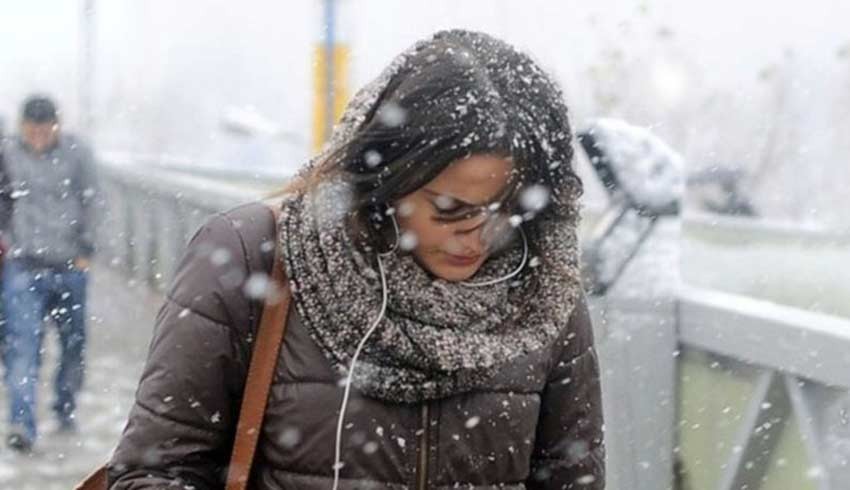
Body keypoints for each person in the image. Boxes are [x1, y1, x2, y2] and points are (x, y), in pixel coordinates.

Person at [109, 30, 605, 489]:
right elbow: (155, 472)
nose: (478, 237)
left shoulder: (542, 288)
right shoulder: (253, 255)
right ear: (388, 179)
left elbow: (572, 479)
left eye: (509, 210)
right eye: (450, 209)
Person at [0, 95, 99, 451]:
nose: (38, 134)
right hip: (23, 266)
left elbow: (93, 200)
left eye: (45, 128)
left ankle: (65, 407)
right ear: (22, 126)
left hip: (70, 265)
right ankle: (22, 424)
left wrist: (86, 249)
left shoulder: (78, 154)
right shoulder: (7, 153)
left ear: (57, 124)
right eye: (32, 128)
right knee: (23, 347)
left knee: (74, 345)